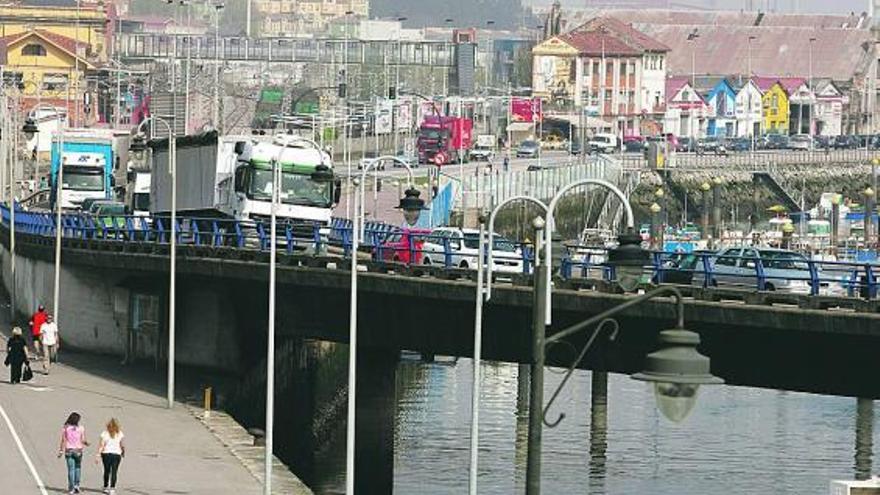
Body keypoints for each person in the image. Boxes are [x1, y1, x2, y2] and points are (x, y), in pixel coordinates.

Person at [58, 412, 88, 495]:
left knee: (71, 470)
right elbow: (83, 440)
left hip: (69, 450)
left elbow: (63, 440)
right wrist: (86, 443)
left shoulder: (66, 428)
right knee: (78, 468)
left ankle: (71, 488)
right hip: (78, 450)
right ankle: (76, 485)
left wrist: (61, 451)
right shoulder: (81, 428)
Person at [96, 418, 125, 495]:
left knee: (106, 470)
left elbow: (101, 445)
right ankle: (112, 489)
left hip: (106, 454)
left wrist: (98, 455)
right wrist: (123, 451)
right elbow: (121, 445)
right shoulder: (120, 433)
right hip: (116, 454)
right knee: (114, 471)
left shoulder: (104, 433)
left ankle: (105, 487)